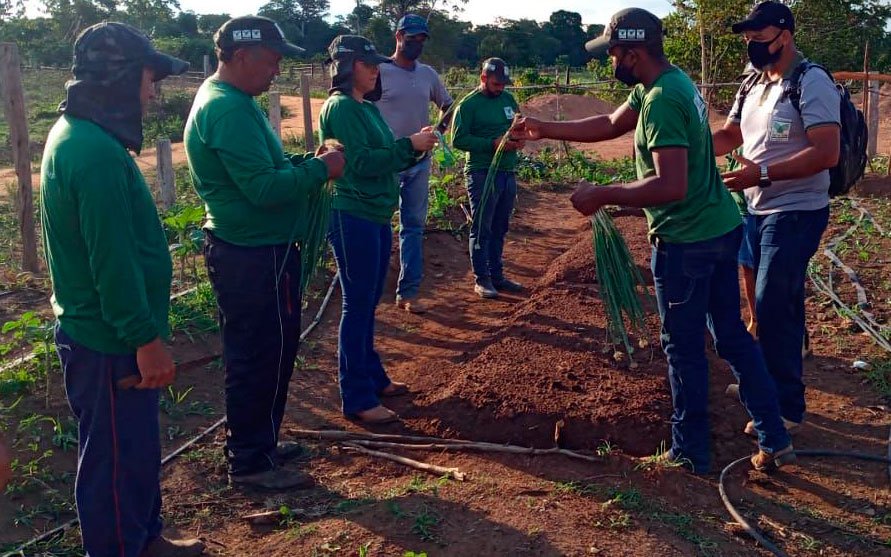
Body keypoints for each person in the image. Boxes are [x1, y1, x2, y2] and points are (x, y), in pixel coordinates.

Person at [516, 8, 794, 473]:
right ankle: (774, 433)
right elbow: (608, 123)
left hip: (687, 241)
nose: (609, 64)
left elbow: (672, 185)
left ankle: (690, 454)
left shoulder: (663, 99)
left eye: (612, 56)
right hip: (719, 228)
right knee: (730, 336)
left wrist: (601, 194)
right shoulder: (665, 83)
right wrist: (543, 129)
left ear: (633, 53)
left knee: (682, 349)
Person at [40, 22, 204, 556]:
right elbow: (111, 261)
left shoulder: (86, 137)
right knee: (112, 461)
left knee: (134, 449)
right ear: (120, 77)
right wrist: (144, 337)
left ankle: (145, 538)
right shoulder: (93, 153)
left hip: (114, 334)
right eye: (148, 77)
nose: (153, 90)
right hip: (109, 340)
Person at [184, 16, 345, 490]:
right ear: (241, 57)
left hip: (261, 251)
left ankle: (261, 442)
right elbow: (262, 189)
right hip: (252, 255)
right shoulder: (228, 109)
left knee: (272, 350)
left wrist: (310, 161)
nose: (277, 69)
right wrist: (322, 172)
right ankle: (250, 461)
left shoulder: (235, 102)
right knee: (257, 354)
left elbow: (269, 168)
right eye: (272, 60)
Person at [713, 1, 839, 434]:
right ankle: (763, 385)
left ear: (784, 35)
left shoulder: (811, 80)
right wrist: (685, 151)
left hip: (797, 210)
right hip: (754, 206)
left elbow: (827, 152)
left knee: (772, 302)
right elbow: (731, 134)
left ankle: (786, 407)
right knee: (759, 300)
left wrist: (762, 172)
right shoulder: (752, 82)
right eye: (748, 37)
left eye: (759, 36)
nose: (751, 44)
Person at [319, 35, 437, 424]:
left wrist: (412, 145)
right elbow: (363, 163)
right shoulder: (342, 108)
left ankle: (372, 377)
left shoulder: (364, 108)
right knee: (356, 304)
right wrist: (410, 145)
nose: (376, 70)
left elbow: (379, 155)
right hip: (352, 214)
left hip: (373, 213)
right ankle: (356, 397)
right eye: (369, 64)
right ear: (348, 67)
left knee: (368, 301)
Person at [376, 13, 453, 314]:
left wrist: (438, 131)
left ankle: (407, 292)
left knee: (413, 227)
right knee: (380, 223)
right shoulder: (379, 71)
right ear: (398, 37)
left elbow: (448, 106)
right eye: (412, 38)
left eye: (422, 39)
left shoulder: (428, 74)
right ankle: (374, 288)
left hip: (419, 161)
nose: (417, 44)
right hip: (387, 161)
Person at [452, 58, 525, 299]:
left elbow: (517, 123)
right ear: (483, 78)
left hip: (507, 171)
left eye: (503, 84)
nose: (500, 88)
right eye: (495, 84)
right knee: (482, 225)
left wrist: (518, 138)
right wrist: (491, 145)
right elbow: (458, 140)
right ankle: (481, 279)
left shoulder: (507, 99)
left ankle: (497, 276)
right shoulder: (469, 105)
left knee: (500, 225)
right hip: (481, 171)